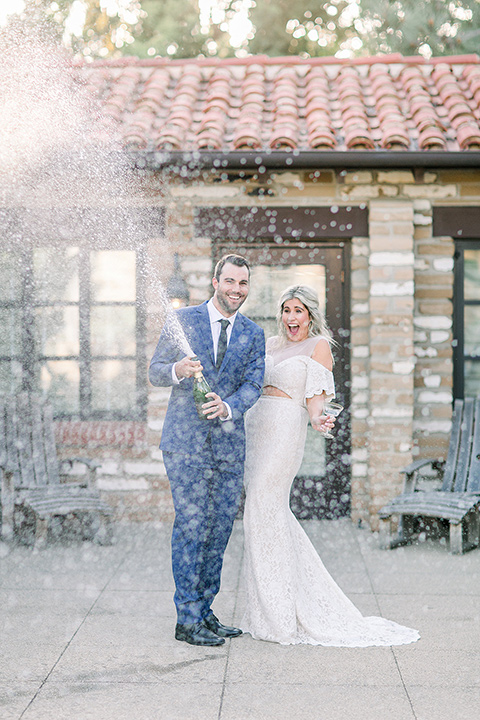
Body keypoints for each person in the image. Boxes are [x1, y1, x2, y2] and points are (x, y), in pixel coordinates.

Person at [241, 285, 420, 647]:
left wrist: (321, 421)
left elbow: (316, 402)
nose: (292, 318)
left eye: (299, 311)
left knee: (264, 504)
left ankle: (283, 614)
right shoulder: (271, 345)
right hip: (255, 428)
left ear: (310, 315)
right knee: (261, 513)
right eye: (287, 310)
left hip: (284, 432)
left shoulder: (319, 346)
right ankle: (267, 608)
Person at [149, 254, 265, 647]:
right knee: (192, 525)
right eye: (230, 281)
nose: (236, 290)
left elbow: (254, 384)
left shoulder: (253, 333)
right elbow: (154, 371)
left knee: (218, 531)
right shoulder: (183, 322)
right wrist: (176, 370)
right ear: (215, 282)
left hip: (229, 448)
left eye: (243, 284)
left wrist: (229, 406)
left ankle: (205, 610)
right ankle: (186, 619)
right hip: (185, 446)